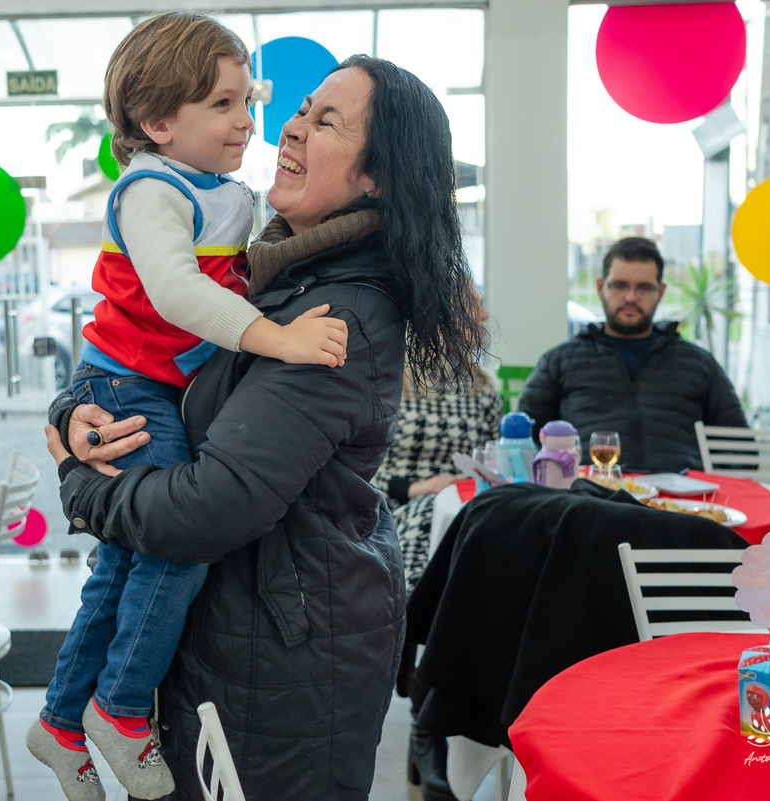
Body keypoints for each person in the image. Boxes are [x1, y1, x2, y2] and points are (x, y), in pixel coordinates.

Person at [42, 54, 481, 801]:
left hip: (280, 664)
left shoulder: (331, 316)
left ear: (378, 176)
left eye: (329, 120)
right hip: (250, 634)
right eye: (302, 108)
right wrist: (76, 411)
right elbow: (158, 364)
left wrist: (83, 482)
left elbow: (212, 504)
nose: (294, 128)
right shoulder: (275, 279)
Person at [25, 14, 350, 801]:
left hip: (151, 386)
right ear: (157, 122)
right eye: (223, 103)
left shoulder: (225, 193)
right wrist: (276, 337)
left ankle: (63, 720)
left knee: (124, 563)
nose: (248, 121)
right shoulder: (150, 190)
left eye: (248, 101)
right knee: (173, 545)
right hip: (126, 387)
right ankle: (122, 707)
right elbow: (175, 291)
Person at [370, 292, 502, 801]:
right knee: (439, 536)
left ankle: (431, 700)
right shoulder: (391, 376)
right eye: (476, 307)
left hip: (467, 512)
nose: (487, 317)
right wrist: (414, 488)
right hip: (399, 509)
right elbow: (356, 463)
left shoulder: (484, 388)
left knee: (486, 542)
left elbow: (493, 461)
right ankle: (430, 708)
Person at [519, 236, 747, 472]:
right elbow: (521, 443)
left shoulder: (698, 364)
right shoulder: (560, 361)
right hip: (588, 498)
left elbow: (739, 446)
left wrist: (714, 489)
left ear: (660, 291)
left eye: (644, 288)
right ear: (600, 288)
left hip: (680, 502)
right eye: (620, 286)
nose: (630, 297)